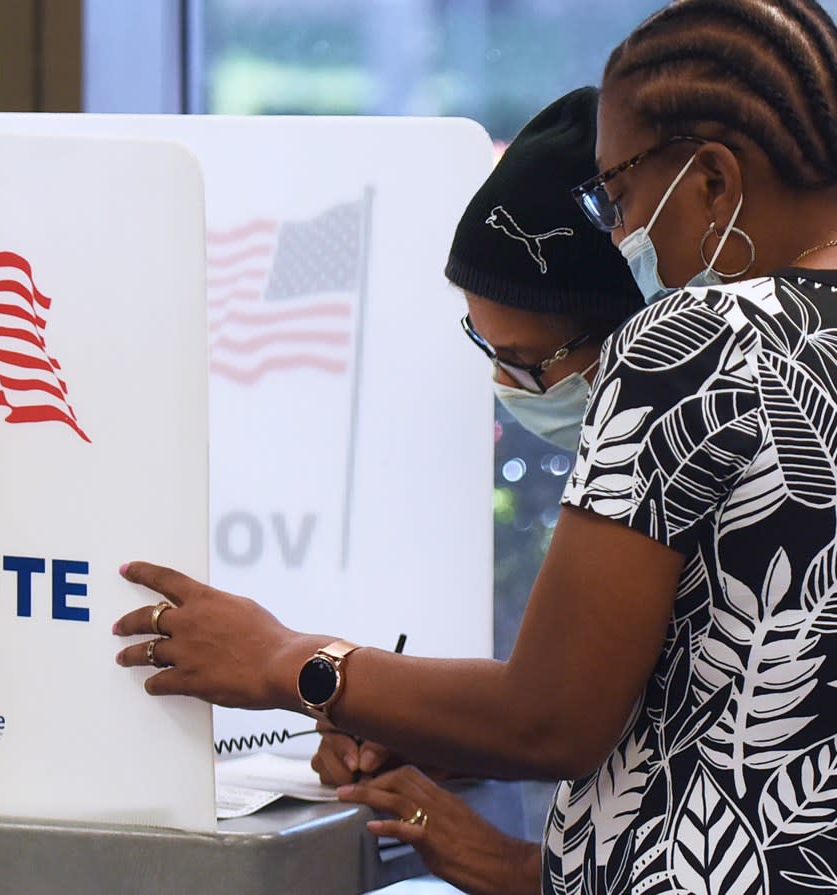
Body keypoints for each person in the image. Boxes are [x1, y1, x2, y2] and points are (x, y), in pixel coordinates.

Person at [113, 2, 837, 892]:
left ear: (713, 179)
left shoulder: (695, 339)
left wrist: (290, 659)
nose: (623, 231)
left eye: (621, 194)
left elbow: (551, 716)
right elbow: (758, 681)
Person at [310, 87, 644, 895]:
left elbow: (554, 716)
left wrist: (293, 662)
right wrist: (445, 732)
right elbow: (628, 707)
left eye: (527, 360)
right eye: (482, 345)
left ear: (641, 332)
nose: (505, 383)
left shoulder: (696, 454)